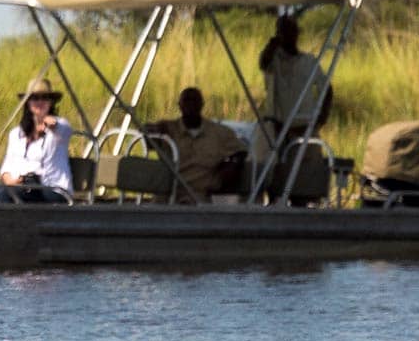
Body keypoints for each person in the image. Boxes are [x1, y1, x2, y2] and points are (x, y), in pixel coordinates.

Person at [143, 87, 247, 204]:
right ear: (180, 105)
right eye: (187, 100)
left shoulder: (219, 133)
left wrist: (230, 168)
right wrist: (150, 130)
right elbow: (147, 141)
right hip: (168, 192)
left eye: (194, 100)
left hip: (198, 193)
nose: (190, 104)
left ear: (202, 104)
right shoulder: (168, 129)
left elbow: (241, 151)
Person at [0, 78, 73, 204]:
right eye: (35, 98)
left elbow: (64, 129)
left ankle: (8, 223)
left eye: (44, 98)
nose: (40, 102)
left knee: (5, 196)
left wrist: (51, 124)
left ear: (51, 102)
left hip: (51, 188)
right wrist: (10, 181)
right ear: (28, 102)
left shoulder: (58, 130)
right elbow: (7, 166)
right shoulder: (16, 134)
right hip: (21, 186)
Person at [257, 13, 333, 157]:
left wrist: (322, 117)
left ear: (297, 33)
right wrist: (272, 45)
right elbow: (263, 63)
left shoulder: (309, 61)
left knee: (307, 170)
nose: (288, 35)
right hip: (277, 129)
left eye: (291, 31)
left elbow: (327, 90)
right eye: (283, 31)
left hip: (304, 129)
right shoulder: (274, 60)